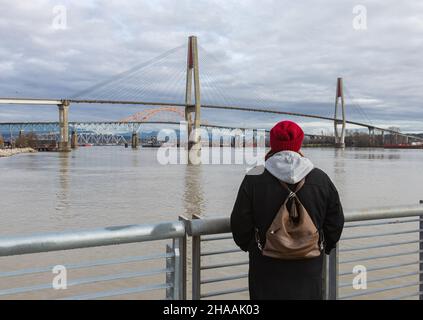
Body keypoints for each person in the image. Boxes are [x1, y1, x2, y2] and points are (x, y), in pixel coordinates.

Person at [230, 120, 344, 300]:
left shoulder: (253, 177)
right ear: (299, 143)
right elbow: (335, 223)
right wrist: (323, 247)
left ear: (272, 143)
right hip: (309, 268)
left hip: (265, 267)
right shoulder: (321, 179)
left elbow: (239, 225)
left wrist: (255, 247)